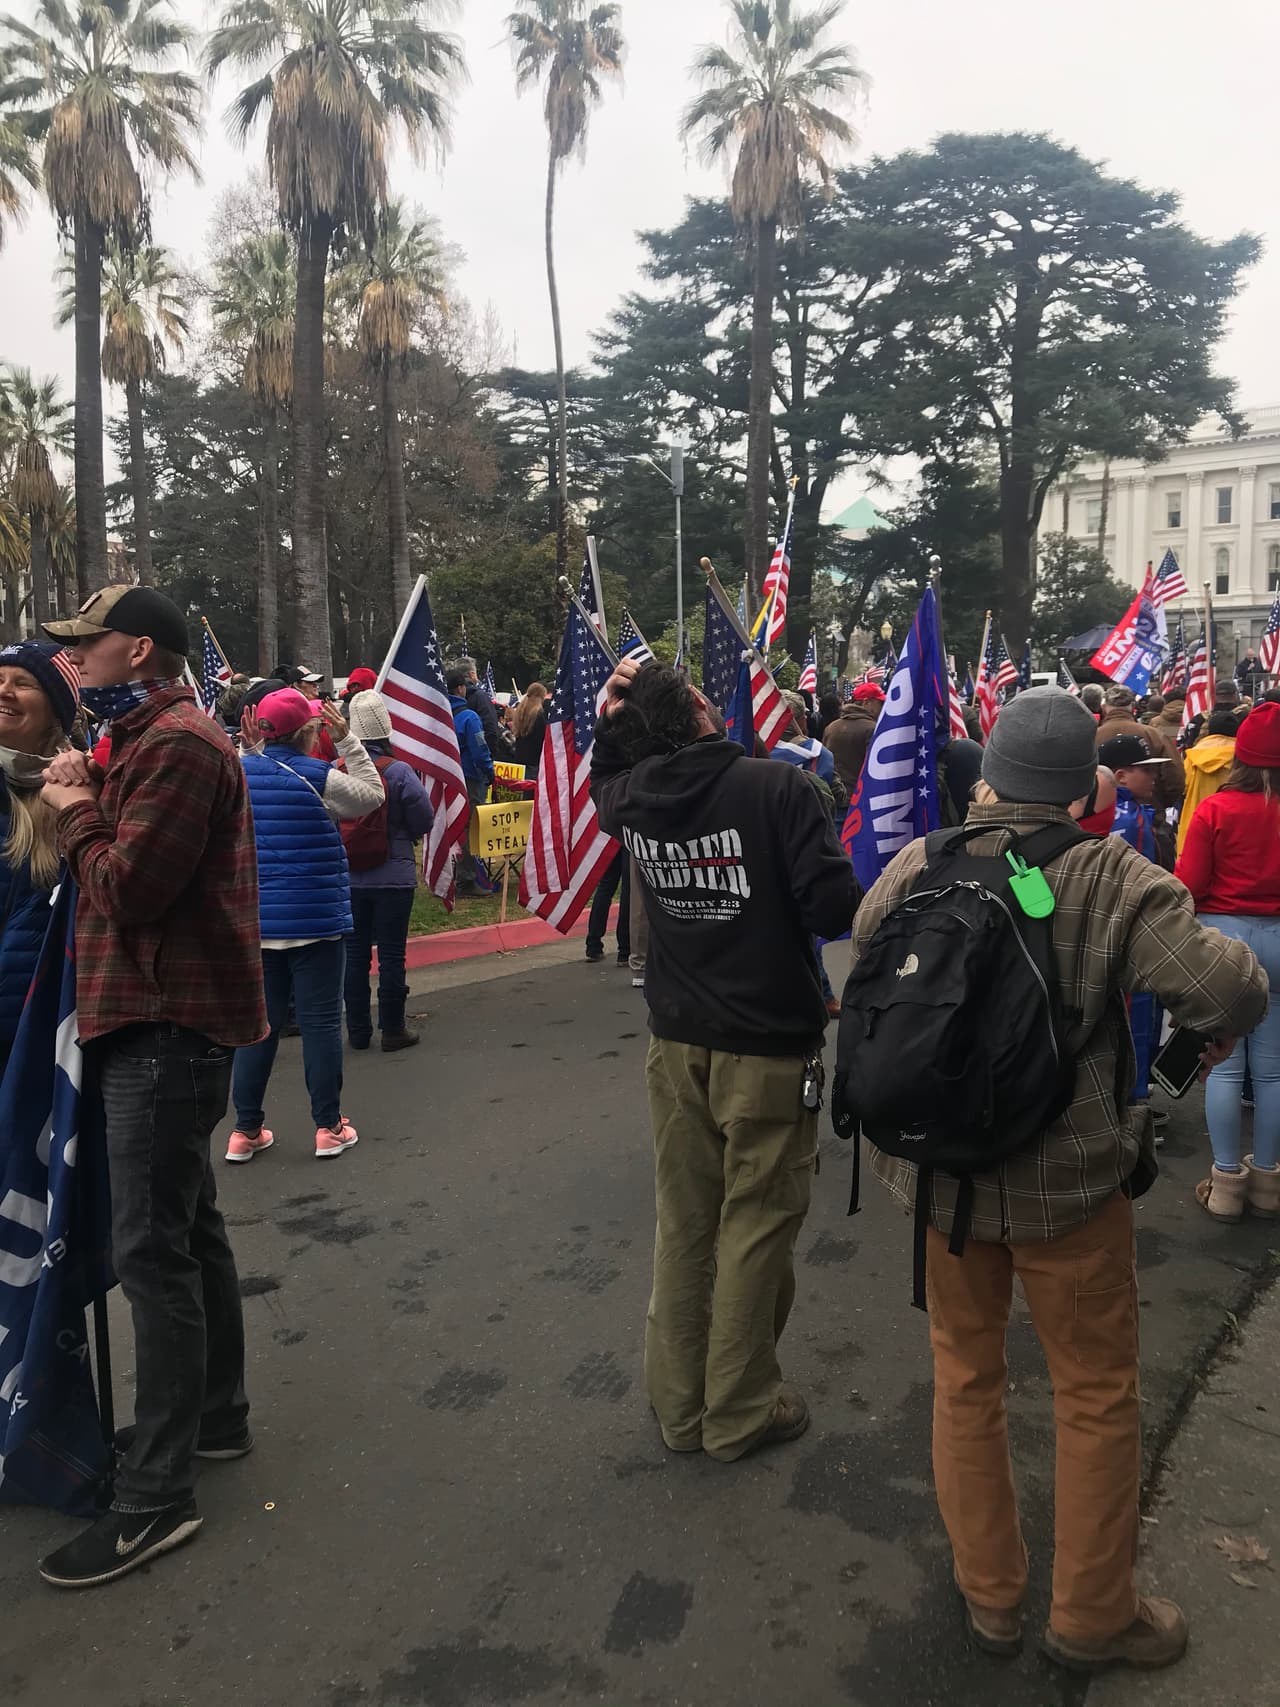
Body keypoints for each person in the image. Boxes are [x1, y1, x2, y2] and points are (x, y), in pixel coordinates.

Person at [849, 687, 1266, 1673]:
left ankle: (988, 1598)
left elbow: (863, 954)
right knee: (1091, 1395)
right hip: (1067, 1181)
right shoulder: (1111, 875)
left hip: (941, 1184)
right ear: (1083, 786)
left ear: (987, 776)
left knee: (964, 1380)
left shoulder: (921, 861)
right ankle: (1090, 1616)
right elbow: (1225, 989)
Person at [35, 585, 267, 1588]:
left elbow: (130, 886)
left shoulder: (178, 745)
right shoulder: (151, 738)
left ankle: (156, 1499)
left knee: (151, 1252)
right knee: (189, 1232)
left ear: (137, 652)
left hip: (166, 1021)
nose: (74, 663)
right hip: (156, 1016)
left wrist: (79, 809)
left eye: (86, 647)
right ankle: (213, 1417)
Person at [591, 657, 857, 1461]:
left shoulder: (635, 795)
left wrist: (613, 720)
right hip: (767, 1046)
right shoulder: (776, 789)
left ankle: (680, 1406)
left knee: (686, 1225)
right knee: (756, 1224)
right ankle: (739, 1408)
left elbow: (604, 782)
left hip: (676, 1043)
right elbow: (833, 906)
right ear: (703, 707)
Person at [227, 686, 383, 1165]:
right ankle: (328, 1126)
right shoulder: (318, 776)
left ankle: (245, 1129)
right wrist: (349, 741)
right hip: (315, 919)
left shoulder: (237, 773)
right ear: (310, 731)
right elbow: (372, 796)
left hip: (258, 922)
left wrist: (247, 750)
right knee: (318, 1025)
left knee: (259, 1028)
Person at [1175, 702, 1280, 1221]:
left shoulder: (1216, 808)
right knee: (1273, 1074)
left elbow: (1189, 885)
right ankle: (1267, 1182)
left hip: (1225, 939)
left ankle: (1225, 1186)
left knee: (1222, 1066)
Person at [0, 641, 80, 1073]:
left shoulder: (77, 792)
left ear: (55, 711)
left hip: (39, 1035)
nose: (4, 691)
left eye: (22, 683)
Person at [341, 690, 434, 1053]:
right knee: (392, 955)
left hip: (349, 877)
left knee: (355, 954)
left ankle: (358, 1030)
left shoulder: (337, 769)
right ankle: (393, 1028)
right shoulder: (398, 772)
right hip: (393, 876)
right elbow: (423, 817)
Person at [446, 664, 495, 896]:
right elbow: (480, 749)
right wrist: (489, 771)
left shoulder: (440, 715)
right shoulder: (469, 717)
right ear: (461, 689)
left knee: (452, 825)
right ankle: (467, 879)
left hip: (447, 778)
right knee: (468, 827)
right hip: (469, 778)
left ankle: (452, 873)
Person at [1095, 684, 1183, 809]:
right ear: (1133, 707)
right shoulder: (1155, 735)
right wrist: (1159, 803)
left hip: (1100, 811)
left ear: (1104, 708)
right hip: (1149, 812)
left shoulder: (1091, 737)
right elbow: (1175, 776)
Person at [1176, 709, 1238, 855]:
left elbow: (1181, 787)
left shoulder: (1193, 756)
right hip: (1234, 825)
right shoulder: (1242, 757)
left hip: (1197, 823)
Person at [823, 682, 884, 797]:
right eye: (880, 702)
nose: (882, 707)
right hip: (860, 799)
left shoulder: (832, 727)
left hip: (834, 796)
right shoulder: (873, 729)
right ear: (866, 702)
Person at [584, 846, 631, 965]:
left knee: (605, 887)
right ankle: (625, 950)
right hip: (628, 835)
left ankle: (593, 945)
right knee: (628, 890)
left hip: (610, 837)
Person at [459, 655, 502, 755]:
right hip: (476, 758)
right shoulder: (479, 696)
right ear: (472, 674)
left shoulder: (448, 695)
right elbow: (489, 728)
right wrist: (486, 751)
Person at [512, 682, 549, 776]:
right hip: (534, 763)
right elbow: (542, 740)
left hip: (519, 762)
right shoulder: (538, 716)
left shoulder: (519, 713)